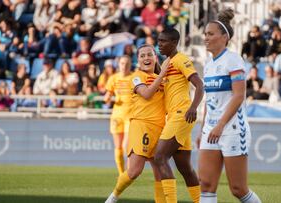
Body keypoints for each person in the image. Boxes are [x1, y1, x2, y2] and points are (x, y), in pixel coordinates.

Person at [197, 9, 261, 203]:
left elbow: (239, 95)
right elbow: (209, 100)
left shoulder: (234, 60)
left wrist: (220, 125)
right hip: (211, 129)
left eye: (210, 34)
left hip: (232, 129)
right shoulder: (207, 64)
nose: (206, 37)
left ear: (224, 37)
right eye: (205, 34)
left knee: (238, 189)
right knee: (206, 185)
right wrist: (203, 129)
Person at [105, 44, 170, 203]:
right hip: (142, 126)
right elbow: (147, 94)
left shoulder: (164, 79)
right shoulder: (136, 77)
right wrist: (162, 74)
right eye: (142, 56)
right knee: (134, 171)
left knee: (159, 172)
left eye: (149, 54)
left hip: (160, 128)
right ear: (138, 60)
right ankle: (113, 197)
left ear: (155, 57)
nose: (146, 58)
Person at [155, 27, 204, 203]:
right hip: (175, 116)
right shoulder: (167, 63)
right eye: (158, 40)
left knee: (159, 157)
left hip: (181, 115)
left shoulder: (181, 59)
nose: (159, 44)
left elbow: (199, 84)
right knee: (185, 168)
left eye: (163, 41)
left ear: (174, 43)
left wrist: (193, 107)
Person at [104, 55, 133, 175]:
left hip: (131, 116)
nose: (124, 66)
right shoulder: (113, 78)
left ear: (130, 65)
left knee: (126, 145)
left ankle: (129, 173)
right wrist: (108, 98)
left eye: (126, 63)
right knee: (118, 147)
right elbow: (107, 96)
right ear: (118, 64)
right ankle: (122, 174)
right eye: (122, 63)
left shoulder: (134, 77)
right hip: (117, 116)